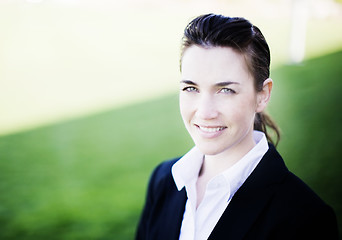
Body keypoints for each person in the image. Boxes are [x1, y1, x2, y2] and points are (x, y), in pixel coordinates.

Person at [135, 13, 338, 240]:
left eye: (226, 90)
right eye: (191, 88)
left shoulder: (305, 218)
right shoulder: (164, 180)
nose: (204, 112)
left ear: (262, 95)